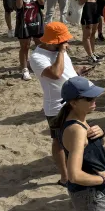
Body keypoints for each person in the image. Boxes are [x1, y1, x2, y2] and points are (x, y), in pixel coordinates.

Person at [52, 77, 105, 211]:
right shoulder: (76, 130)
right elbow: (74, 175)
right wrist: (102, 179)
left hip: (88, 195)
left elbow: (89, 152)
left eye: (94, 96)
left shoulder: (78, 120)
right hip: (93, 194)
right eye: (89, 98)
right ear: (73, 102)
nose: (94, 101)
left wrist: (100, 135)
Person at [29, 22, 89, 187]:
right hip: (56, 106)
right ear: (51, 41)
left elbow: (64, 70)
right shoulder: (37, 57)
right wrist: (62, 51)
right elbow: (55, 74)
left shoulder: (58, 51)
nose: (65, 44)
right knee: (59, 141)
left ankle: (77, 169)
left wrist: (76, 71)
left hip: (75, 101)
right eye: (61, 42)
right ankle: (65, 176)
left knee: (82, 135)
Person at [14, 0, 46, 81]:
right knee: (25, 46)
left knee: (40, 44)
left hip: (36, 19)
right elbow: (18, 6)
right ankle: (25, 69)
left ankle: (40, 65)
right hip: (23, 21)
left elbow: (42, 3)